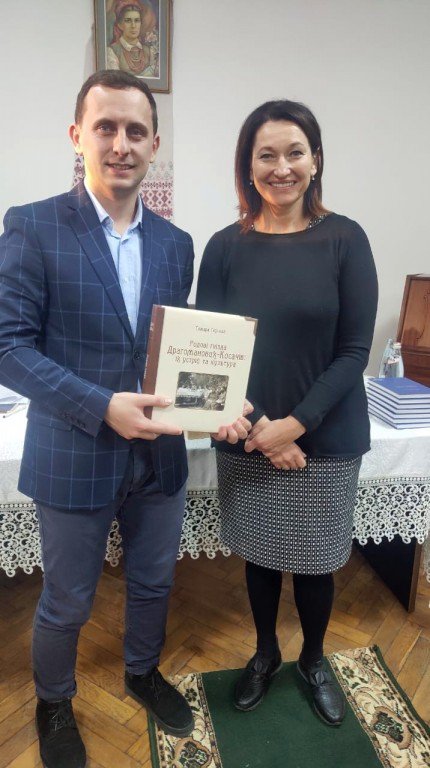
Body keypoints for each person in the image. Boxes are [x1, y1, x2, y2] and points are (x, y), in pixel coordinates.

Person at [0, 69, 250, 768]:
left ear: (153, 145)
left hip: (159, 458)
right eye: (105, 127)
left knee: (154, 582)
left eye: (135, 131)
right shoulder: (33, 224)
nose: (120, 144)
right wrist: (99, 405)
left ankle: (142, 672)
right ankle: (54, 702)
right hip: (73, 448)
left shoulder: (176, 243)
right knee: (67, 600)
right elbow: (8, 347)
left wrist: (221, 401)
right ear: (77, 136)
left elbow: (178, 352)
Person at [196, 100, 378, 727]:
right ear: (248, 166)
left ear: (315, 160)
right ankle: (266, 652)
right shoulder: (224, 247)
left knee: (318, 562)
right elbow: (211, 351)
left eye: (294, 152)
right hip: (246, 432)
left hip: (324, 436)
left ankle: (314, 659)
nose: (282, 168)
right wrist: (264, 431)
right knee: (261, 557)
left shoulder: (345, 239)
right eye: (266, 155)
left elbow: (355, 350)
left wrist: (294, 426)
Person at [107, 1, 158, 77]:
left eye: (137, 20)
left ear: (141, 24)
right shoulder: (112, 51)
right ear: (120, 25)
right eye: (128, 21)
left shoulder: (149, 51)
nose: (133, 26)